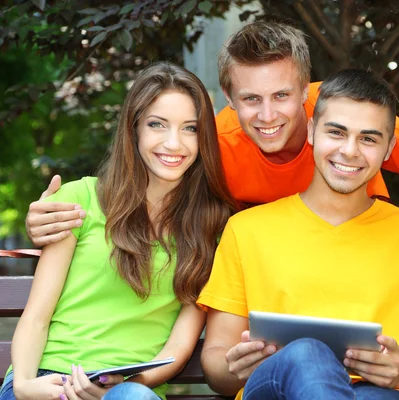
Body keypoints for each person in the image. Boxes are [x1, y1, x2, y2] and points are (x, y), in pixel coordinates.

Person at [23, 20, 399, 245]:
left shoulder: (347, 120)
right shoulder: (215, 143)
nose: (267, 115)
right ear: (230, 97)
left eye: (282, 95)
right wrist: (57, 218)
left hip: (370, 256)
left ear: (306, 91)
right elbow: (150, 203)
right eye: (251, 98)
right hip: (275, 280)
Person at [197, 69, 399, 400]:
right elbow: (216, 360)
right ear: (312, 132)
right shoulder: (246, 230)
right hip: (275, 390)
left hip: (378, 394)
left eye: (369, 138)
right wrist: (234, 366)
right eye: (337, 132)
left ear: (389, 148)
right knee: (307, 354)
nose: (350, 151)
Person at [0, 62, 236, 400]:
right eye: (157, 125)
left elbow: (179, 346)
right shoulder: (79, 199)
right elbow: (38, 315)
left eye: (189, 129)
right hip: (47, 380)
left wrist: (121, 388)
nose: (174, 143)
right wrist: (23, 385)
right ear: (135, 128)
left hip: (127, 389)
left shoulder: (211, 228)